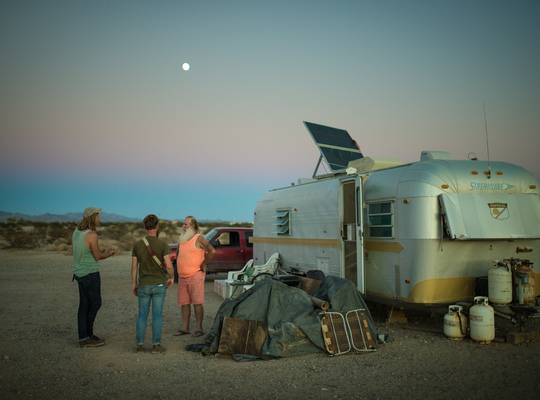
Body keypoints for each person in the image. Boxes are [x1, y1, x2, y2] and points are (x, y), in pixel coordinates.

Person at [72, 207, 117, 347]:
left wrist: (101, 251)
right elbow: (97, 256)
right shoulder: (91, 235)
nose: (100, 218)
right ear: (92, 217)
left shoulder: (76, 232)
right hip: (90, 274)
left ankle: (84, 337)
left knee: (84, 305)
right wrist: (109, 254)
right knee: (96, 303)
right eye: (98, 216)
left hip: (79, 273)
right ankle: (88, 336)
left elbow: (85, 251)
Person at [131, 214, 175, 354]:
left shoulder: (137, 245)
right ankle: (156, 345)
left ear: (144, 226)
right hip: (159, 284)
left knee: (142, 314)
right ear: (157, 226)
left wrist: (134, 283)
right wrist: (172, 277)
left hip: (144, 284)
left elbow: (134, 267)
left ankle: (140, 345)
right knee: (157, 315)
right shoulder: (163, 244)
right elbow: (168, 265)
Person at [175, 216, 215, 337]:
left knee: (197, 302)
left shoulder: (199, 238)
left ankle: (199, 328)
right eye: (183, 224)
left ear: (193, 226)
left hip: (195, 275)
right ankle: (185, 328)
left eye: (186, 224)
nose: (183, 227)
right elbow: (178, 255)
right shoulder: (182, 240)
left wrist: (203, 264)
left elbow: (212, 251)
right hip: (182, 276)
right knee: (184, 303)